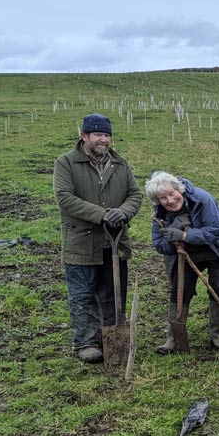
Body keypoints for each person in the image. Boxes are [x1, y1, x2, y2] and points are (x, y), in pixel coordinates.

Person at [53, 113, 143, 363]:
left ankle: (111, 338)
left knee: (114, 292)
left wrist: (122, 213)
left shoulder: (120, 164)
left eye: (106, 135)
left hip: (114, 240)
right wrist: (102, 215)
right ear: (84, 136)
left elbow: (135, 195)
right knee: (83, 294)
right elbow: (65, 198)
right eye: (97, 135)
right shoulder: (67, 163)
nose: (103, 140)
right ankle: (86, 342)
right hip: (81, 241)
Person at [146, 171, 219, 352]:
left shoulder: (202, 199)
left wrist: (185, 235)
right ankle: (173, 338)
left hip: (217, 248)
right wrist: (173, 235)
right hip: (185, 253)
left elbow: (214, 230)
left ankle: (217, 334)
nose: (170, 201)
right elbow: (159, 245)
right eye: (163, 197)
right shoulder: (160, 215)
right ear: (157, 200)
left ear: (179, 190)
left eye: (171, 194)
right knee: (181, 289)